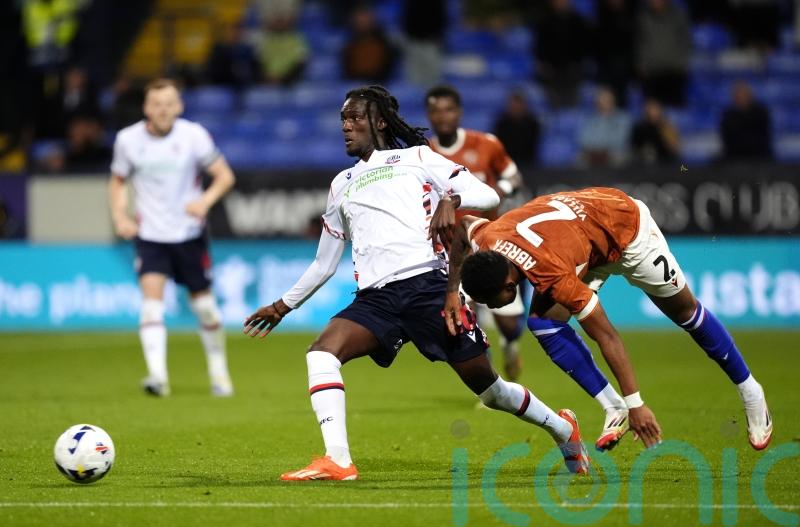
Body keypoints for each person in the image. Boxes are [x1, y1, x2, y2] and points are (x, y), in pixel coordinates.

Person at [243, 85, 590, 481]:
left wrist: (451, 199)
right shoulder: (341, 183)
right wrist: (282, 306)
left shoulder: (417, 158)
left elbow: (488, 194)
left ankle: (563, 428)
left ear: (379, 122)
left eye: (354, 118)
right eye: (343, 118)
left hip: (428, 287)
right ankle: (337, 459)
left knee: (491, 391)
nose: (346, 126)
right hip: (376, 299)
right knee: (321, 353)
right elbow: (324, 263)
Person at [448, 187, 773, 452]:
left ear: (508, 285)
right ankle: (612, 406)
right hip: (579, 239)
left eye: (493, 301)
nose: (494, 306)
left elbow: (607, 336)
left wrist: (638, 405)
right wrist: (453, 291)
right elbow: (463, 227)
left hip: (626, 232)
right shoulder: (486, 240)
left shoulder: (556, 277)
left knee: (685, 312)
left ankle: (751, 391)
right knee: (544, 323)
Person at [108, 78, 236, 397]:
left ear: (179, 106)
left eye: (169, 103)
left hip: (188, 233)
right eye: (156, 104)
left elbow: (224, 176)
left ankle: (219, 374)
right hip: (150, 234)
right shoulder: (127, 140)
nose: (163, 110)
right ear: (146, 107)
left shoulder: (193, 136)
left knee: (205, 307)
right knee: (152, 304)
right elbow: (118, 181)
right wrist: (120, 216)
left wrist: (204, 202)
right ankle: (157, 377)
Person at [425, 84, 527, 381]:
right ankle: (491, 381)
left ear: (459, 112)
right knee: (465, 317)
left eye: (448, 109)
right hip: (450, 251)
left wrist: (498, 191)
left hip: (490, 245)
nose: (442, 117)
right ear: (429, 115)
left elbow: (513, 176)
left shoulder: (486, 144)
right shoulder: (422, 154)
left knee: (508, 324)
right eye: (435, 111)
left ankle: (510, 346)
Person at [720, 81, 773, 161]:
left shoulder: (761, 113)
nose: (742, 97)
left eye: (744, 94)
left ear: (750, 95)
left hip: (758, 153)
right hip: (734, 154)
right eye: (739, 95)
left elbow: (764, 136)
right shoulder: (728, 115)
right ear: (734, 97)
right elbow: (727, 139)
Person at [577, 87, 631, 168]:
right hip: (593, 154)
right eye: (600, 100)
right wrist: (599, 149)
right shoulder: (590, 119)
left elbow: (619, 141)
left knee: (619, 158)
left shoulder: (623, 118)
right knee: (579, 158)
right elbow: (584, 140)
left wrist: (601, 147)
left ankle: (618, 180)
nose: (603, 103)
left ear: (613, 101)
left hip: (614, 153)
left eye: (607, 100)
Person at [630, 98, 679, 165]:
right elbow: (634, 147)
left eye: (655, 109)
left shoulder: (667, 126)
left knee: (683, 169)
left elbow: (674, 149)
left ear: (661, 110)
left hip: (666, 162)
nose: (653, 112)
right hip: (643, 164)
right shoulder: (639, 128)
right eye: (650, 109)